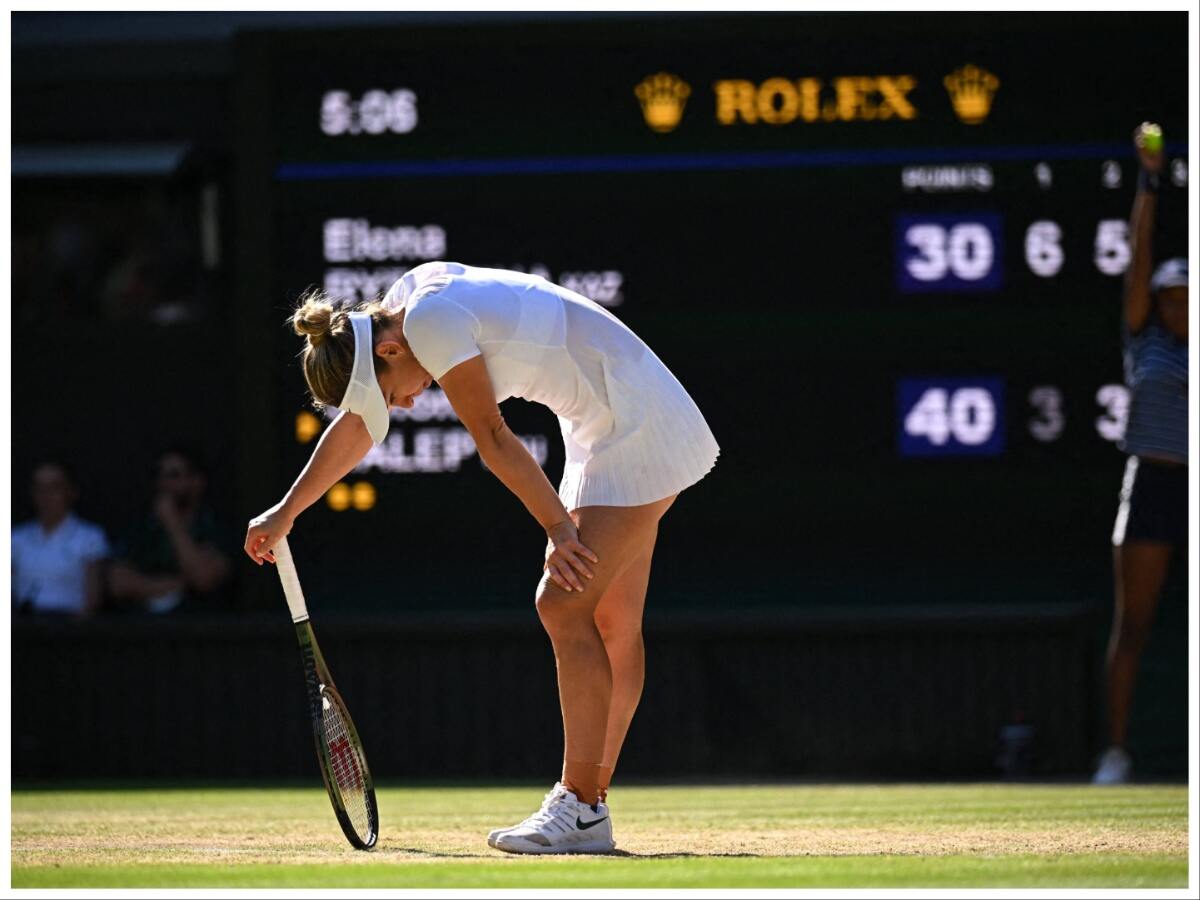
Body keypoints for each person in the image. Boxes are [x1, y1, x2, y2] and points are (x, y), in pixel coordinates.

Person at [245, 262, 720, 853]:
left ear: (389, 350)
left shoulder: (430, 319)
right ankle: (588, 806)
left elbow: (493, 438)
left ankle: (582, 805)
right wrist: (286, 511)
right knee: (609, 622)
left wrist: (557, 528)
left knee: (562, 605)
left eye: (395, 393)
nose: (411, 404)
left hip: (636, 417)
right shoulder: (405, 304)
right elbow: (358, 430)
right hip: (604, 420)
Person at [1093, 124, 1188, 785]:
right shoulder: (1141, 339)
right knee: (1133, 626)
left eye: (1188, 295)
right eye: (1170, 295)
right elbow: (1138, 253)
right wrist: (1150, 180)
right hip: (1150, 482)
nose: (1178, 304)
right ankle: (1117, 753)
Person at [109, 443, 235, 614]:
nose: (165, 483)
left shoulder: (216, 528)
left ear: (197, 481)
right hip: (143, 628)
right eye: (160, 476)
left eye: (174, 476)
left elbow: (203, 579)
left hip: (198, 627)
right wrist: (174, 585)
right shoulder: (143, 527)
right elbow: (118, 583)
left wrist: (172, 523)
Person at [11, 460, 109, 618]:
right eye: (40, 488)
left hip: (69, 629)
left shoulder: (90, 537)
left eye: (54, 488)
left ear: (71, 492)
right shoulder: (16, 538)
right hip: (24, 629)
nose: (46, 496)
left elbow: (93, 598)